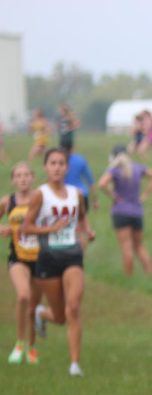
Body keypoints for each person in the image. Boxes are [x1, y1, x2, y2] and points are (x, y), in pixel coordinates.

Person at [22, 148, 96, 376]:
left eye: (61, 163)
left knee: (73, 308)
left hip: (72, 255)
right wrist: (50, 229)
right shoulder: (40, 195)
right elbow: (26, 227)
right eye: (52, 163)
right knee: (60, 316)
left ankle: (75, 364)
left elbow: (82, 218)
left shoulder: (76, 193)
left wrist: (87, 231)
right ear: (45, 167)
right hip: (48, 258)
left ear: (67, 167)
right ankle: (42, 314)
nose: (57, 167)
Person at [0, 163, 41, 364]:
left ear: (32, 177)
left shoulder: (41, 199)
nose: (23, 178)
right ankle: (19, 342)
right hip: (17, 257)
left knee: (34, 304)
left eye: (26, 175)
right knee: (23, 294)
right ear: (13, 180)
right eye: (19, 175)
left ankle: (32, 347)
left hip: (41, 258)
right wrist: (3, 229)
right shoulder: (7, 202)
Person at [98, 145, 152, 275]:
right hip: (137, 212)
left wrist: (113, 196)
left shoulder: (115, 170)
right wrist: (145, 194)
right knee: (139, 246)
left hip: (120, 211)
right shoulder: (137, 167)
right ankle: (151, 274)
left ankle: (129, 277)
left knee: (126, 247)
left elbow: (102, 184)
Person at [63, 144, 96, 214]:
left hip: (64, 194)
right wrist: (95, 199)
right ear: (72, 148)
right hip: (82, 193)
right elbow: (90, 180)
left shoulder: (60, 161)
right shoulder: (80, 160)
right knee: (82, 221)